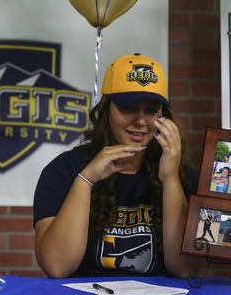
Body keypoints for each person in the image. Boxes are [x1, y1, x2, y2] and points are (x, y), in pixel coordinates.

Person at [33, 53, 201, 279]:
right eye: (129, 108)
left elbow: (185, 269)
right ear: (106, 109)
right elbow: (57, 265)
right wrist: (85, 181)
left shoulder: (183, 175)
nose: (141, 121)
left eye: (152, 110)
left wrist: (170, 181)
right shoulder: (63, 170)